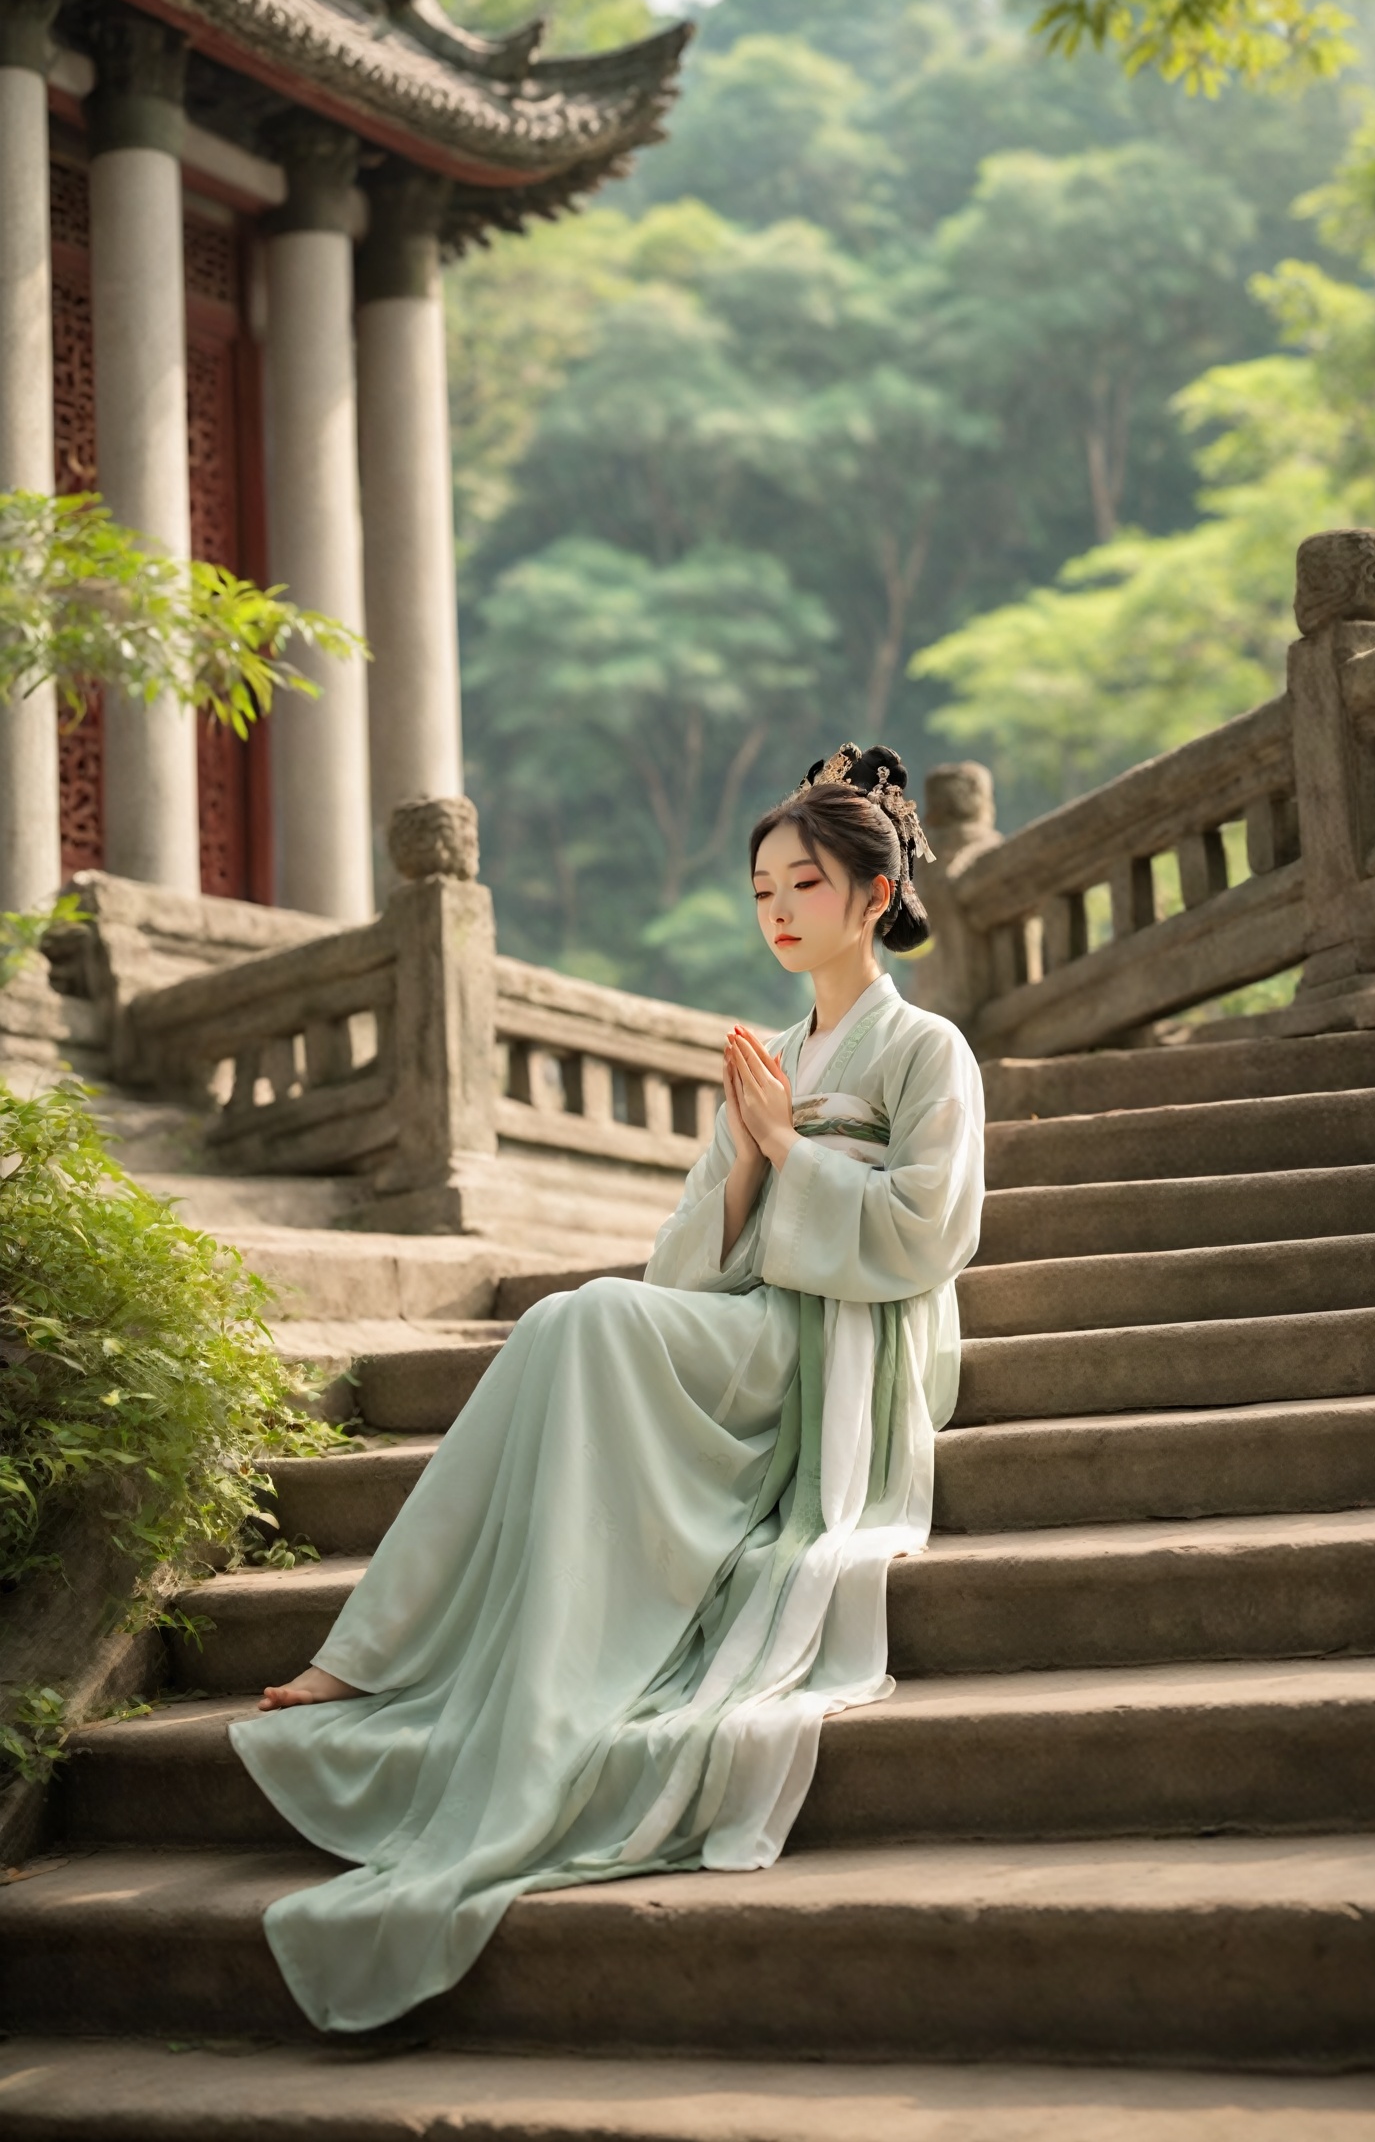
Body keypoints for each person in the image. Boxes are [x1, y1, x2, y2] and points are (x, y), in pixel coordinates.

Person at [230, 741, 987, 2033]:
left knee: (581, 1328)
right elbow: (688, 1258)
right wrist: (753, 1160)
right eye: (760, 892)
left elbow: (930, 1232)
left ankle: (470, 1660)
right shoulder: (773, 1055)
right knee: (566, 1323)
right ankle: (378, 1652)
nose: (778, 911)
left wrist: (789, 1156)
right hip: (747, 1315)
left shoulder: (928, 1053)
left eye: (801, 884)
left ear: (872, 894)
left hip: (844, 1347)